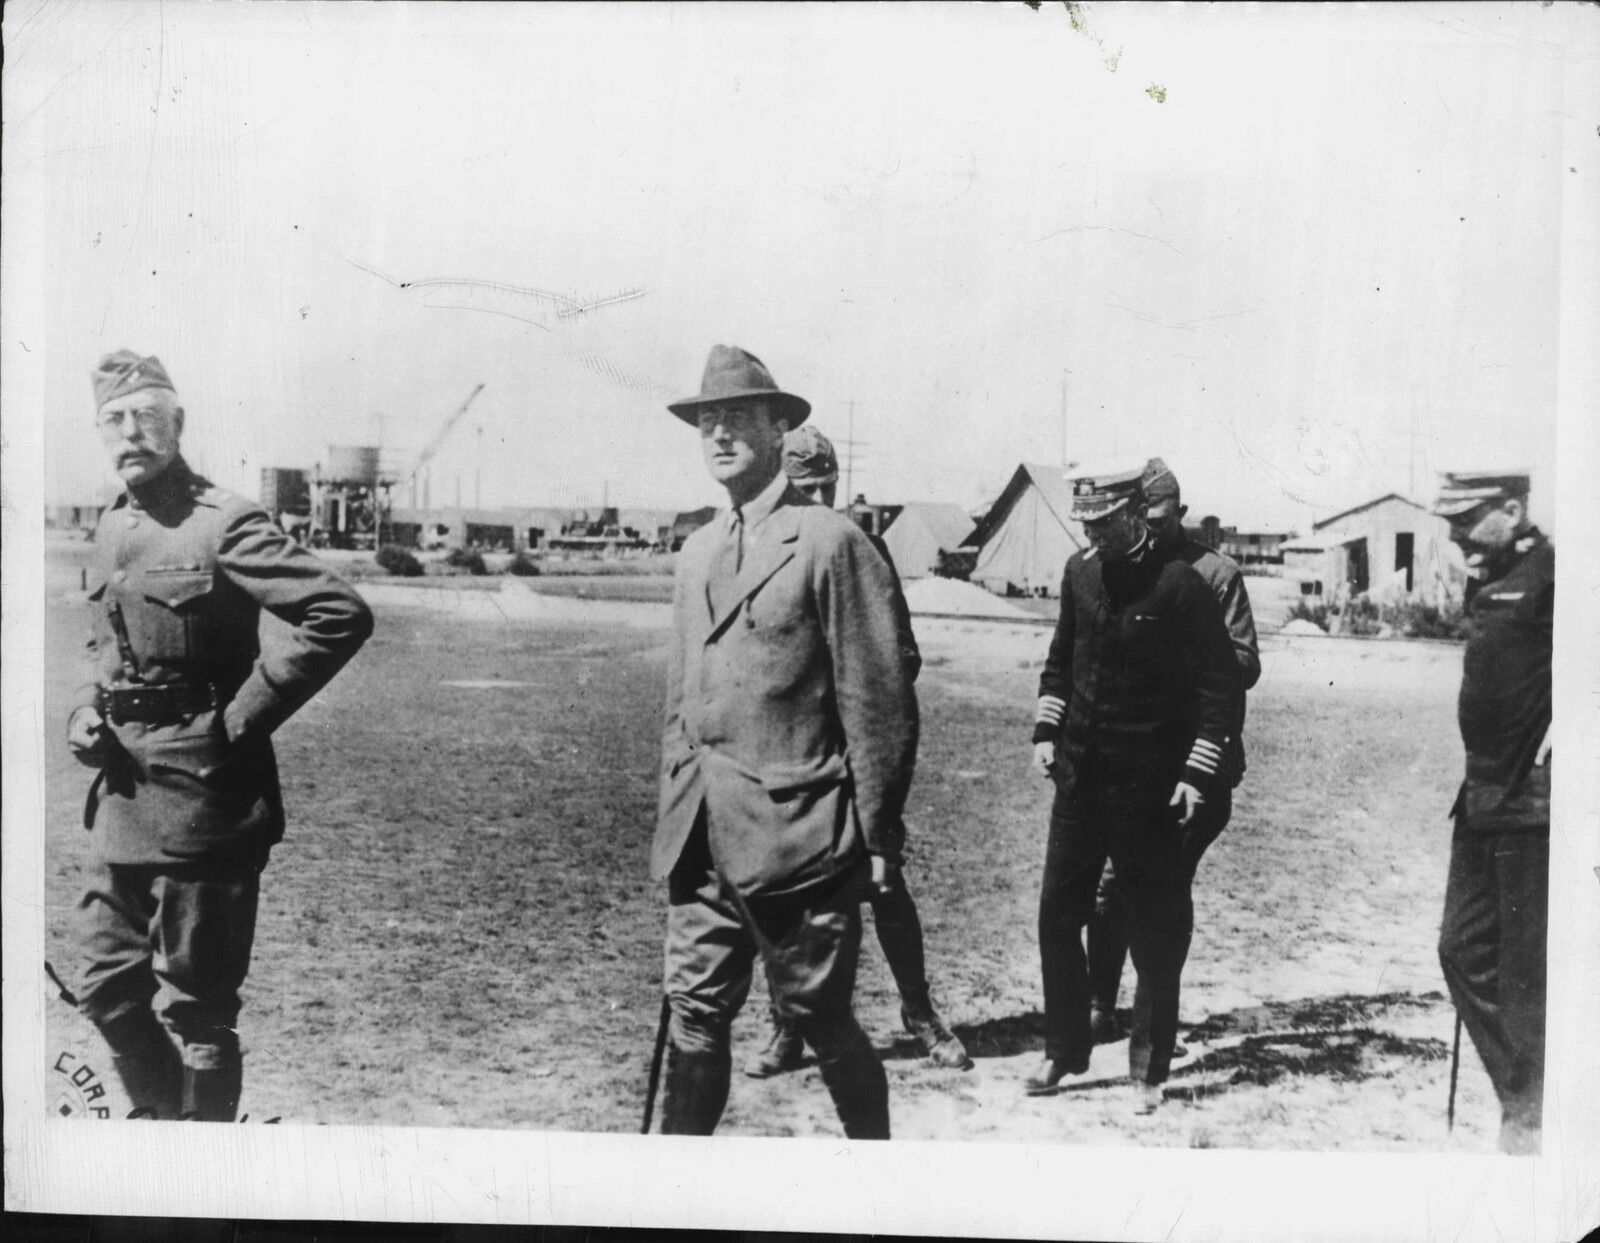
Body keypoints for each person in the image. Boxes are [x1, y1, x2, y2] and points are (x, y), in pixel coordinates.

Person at [65, 351, 374, 1121]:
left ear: (178, 422)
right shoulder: (110, 526)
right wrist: (82, 706)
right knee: (104, 982)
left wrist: (242, 716)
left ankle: (196, 1170)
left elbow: (337, 612)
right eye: (114, 418)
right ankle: (168, 1127)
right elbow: (101, 643)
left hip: (206, 797)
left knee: (199, 1009)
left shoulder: (224, 520)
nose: (130, 431)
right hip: (123, 794)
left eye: (146, 414)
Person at [650, 345, 919, 1138]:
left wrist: (880, 837)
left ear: (779, 429)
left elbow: (879, 702)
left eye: (738, 417)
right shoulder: (696, 550)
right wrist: (674, 801)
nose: (721, 433)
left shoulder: (829, 541)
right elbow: (681, 698)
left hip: (797, 839)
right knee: (696, 1019)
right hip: (700, 838)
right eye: (708, 420)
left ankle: (876, 1185)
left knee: (822, 1019)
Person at [741, 426, 969, 1079]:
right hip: (791, 759)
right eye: (802, 487)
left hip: (858, 756)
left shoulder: (863, 550)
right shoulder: (764, 553)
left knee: (883, 882)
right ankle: (787, 1025)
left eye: (825, 486)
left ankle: (920, 1014)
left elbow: (903, 654)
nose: (816, 498)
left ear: (837, 484)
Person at [1027, 461, 1238, 1112]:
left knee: (1155, 929)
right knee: (1057, 917)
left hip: (1148, 792)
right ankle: (1065, 1048)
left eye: (1101, 523)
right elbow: (1061, 660)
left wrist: (1197, 772)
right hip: (1080, 780)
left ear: (1132, 516)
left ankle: (1150, 1067)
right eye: (1084, 523)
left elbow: (1219, 690)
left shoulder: (1181, 587)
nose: (1090, 535)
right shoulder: (1079, 573)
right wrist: (1045, 729)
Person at [1085, 458, 1260, 1046]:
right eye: (1144, 518)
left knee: (1159, 892)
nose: (1152, 529)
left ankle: (1152, 1022)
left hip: (1195, 765)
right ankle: (1099, 1005)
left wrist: (1172, 661)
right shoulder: (1123, 570)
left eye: (1161, 518)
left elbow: (1243, 665)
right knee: (1110, 885)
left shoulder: (1215, 573)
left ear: (1178, 514)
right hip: (1133, 763)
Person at [1432, 470, 1552, 1154]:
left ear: (1512, 507)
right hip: (1479, 796)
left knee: (1523, 966)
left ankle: (1528, 1110)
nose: (1455, 537)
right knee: (1459, 948)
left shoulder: (1558, 572)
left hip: (1532, 803)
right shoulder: (1492, 577)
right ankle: (1523, 1087)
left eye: (1467, 520)